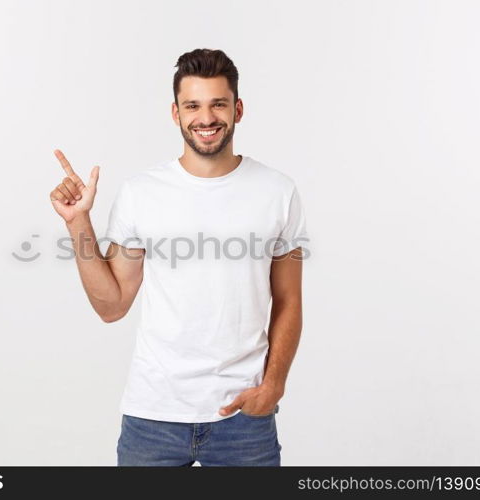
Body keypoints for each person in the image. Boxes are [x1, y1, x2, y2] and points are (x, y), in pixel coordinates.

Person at [49, 48, 309, 466]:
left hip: (244, 417)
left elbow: (289, 301)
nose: (206, 118)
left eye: (217, 104)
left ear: (238, 109)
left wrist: (273, 386)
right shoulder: (141, 193)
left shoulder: (278, 191)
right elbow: (112, 306)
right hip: (153, 415)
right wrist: (78, 223)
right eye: (193, 106)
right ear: (176, 113)